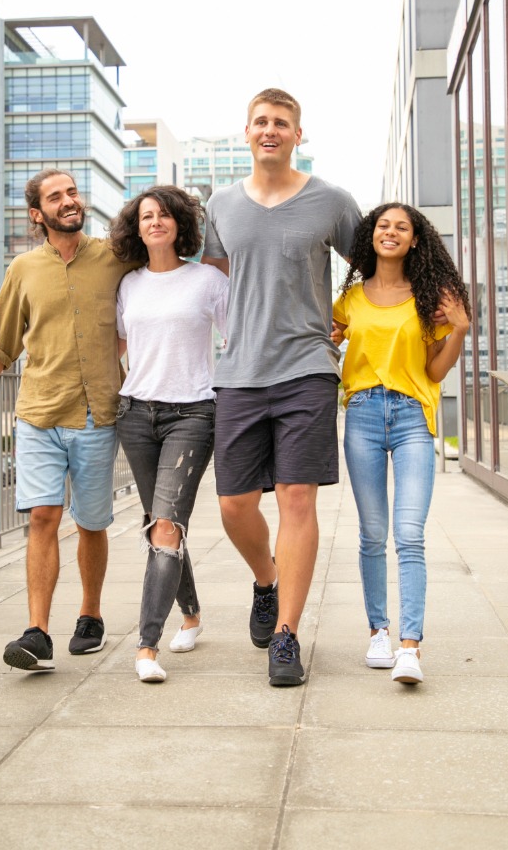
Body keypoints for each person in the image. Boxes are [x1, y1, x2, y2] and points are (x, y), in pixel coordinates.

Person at [202, 88, 363, 687]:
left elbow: (371, 265)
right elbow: (218, 283)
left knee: (298, 499)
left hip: (307, 369)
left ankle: (288, 636)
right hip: (239, 372)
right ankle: (265, 581)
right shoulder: (220, 205)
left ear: (299, 134)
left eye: (283, 123)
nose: (271, 130)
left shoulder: (331, 201)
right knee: (234, 505)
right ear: (246, 131)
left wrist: (344, 319)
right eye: (262, 122)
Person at [0, 168, 138, 672]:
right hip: (38, 413)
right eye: (56, 197)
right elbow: (1, 344)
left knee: (92, 523)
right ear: (38, 213)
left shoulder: (116, 259)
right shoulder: (24, 269)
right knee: (42, 517)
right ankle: (37, 633)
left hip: (97, 413)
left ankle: (91, 616)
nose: (69, 200)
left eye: (72, 192)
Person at [332, 202, 471, 684]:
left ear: (415, 240)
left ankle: (410, 645)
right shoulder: (349, 299)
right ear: (371, 236)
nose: (391, 232)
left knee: (409, 534)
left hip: (413, 416)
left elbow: (435, 372)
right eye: (383, 226)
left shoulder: (430, 296)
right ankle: (379, 631)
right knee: (372, 534)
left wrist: (459, 331)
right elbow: (329, 338)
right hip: (364, 416)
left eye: (402, 227)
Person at [110, 185, 228, 682]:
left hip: (193, 414)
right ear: (136, 228)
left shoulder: (207, 281)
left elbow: (237, 340)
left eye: (163, 215)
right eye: (146, 216)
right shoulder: (128, 285)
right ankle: (193, 614)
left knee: (164, 526)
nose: (155, 222)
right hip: (136, 414)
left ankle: (145, 647)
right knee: (162, 522)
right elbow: (116, 347)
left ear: (180, 224)